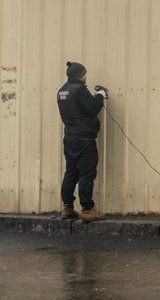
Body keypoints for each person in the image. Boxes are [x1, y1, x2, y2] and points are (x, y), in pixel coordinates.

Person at [57, 62, 108, 221]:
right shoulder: (80, 90)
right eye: (85, 73)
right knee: (87, 173)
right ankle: (88, 209)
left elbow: (78, 108)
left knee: (71, 171)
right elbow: (92, 108)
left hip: (70, 137)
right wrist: (100, 95)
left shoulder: (62, 91)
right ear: (80, 75)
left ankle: (67, 208)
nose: (86, 76)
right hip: (84, 138)